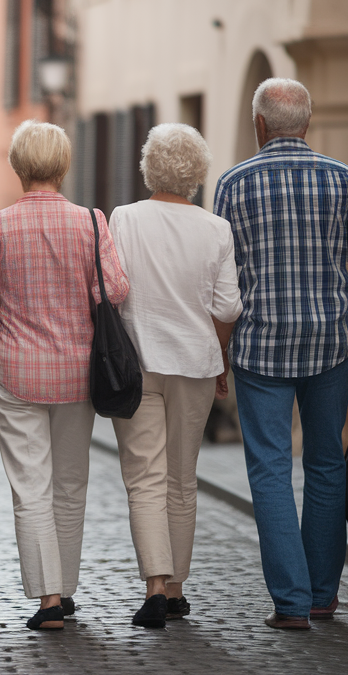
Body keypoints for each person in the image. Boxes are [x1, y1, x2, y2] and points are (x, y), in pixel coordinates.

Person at [213, 78, 348, 630]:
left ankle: (289, 604)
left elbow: (224, 281)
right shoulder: (343, 180)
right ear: (306, 125)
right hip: (329, 345)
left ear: (260, 125)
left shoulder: (232, 185)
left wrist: (217, 352)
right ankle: (320, 596)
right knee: (325, 464)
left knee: (268, 470)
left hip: (260, 348)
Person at [0, 119, 129, 631]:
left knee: (30, 486)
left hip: (17, 372)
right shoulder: (91, 221)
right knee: (71, 482)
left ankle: (49, 597)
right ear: (63, 165)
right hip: (79, 370)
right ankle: (66, 587)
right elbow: (116, 292)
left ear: (17, 166)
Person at [108, 124, 242, 628]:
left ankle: (155, 588)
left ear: (148, 166)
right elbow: (228, 305)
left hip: (137, 364)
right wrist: (219, 355)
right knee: (183, 479)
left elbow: (112, 288)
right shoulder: (216, 229)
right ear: (198, 172)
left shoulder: (124, 219)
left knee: (145, 477)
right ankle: (179, 588)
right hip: (196, 364)